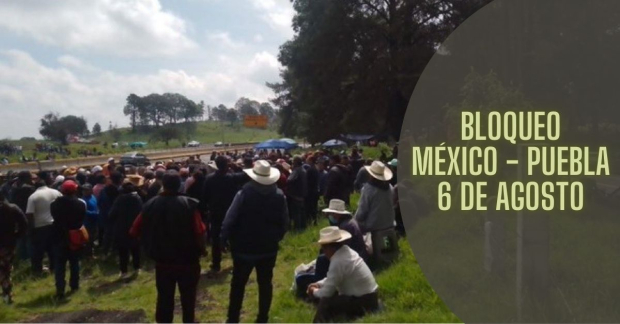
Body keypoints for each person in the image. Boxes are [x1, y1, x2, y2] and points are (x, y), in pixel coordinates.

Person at [130, 171, 206, 323]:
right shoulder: (189, 204)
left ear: (163, 185)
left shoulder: (149, 205)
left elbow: (134, 230)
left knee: (164, 300)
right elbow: (200, 232)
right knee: (188, 300)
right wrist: (202, 250)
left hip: (163, 262)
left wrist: (150, 244)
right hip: (188, 261)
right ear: (179, 185)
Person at [221, 160, 289, 323]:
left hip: (243, 248)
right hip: (268, 248)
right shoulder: (280, 195)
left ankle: (233, 319)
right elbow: (285, 222)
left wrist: (224, 237)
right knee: (265, 285)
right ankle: (262, 318)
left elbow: (230, 217)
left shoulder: (244, 193)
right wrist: (276, 237)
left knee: (238, 285)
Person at [307, 226, 379, 323]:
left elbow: (326, 293)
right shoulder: (346, 251)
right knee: (330, 297)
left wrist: (314, 291)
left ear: (329, 247)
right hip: (370, 297)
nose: (323, 251)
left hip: (364, 302)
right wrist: (319, 284)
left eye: (323, 248)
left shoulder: (338, 261)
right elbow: (332, 278)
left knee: (326, 301)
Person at [202, 156, 242, 275]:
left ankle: (216, 264)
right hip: (232, 211)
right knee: (234, 237)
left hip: (215, 212)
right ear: (227, 165)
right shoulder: (232, 178)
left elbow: (204, 197)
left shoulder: (209, 179)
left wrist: (207, 209)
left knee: (216, 239)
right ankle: (237, 263)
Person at [50, 180, 86, 299]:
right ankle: (74, 286)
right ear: (75, 190)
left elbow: (54, 217)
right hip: (75, 236)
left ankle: (60, 289)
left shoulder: (54, 204)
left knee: (59, 265)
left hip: (58, 237)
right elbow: (81, 218)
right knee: (74, 263)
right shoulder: (80, 204)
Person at [26, 178, 62, 274]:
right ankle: (54, 268)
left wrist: (31, 229)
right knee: (53, 249)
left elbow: (29, 214)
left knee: (38, 251)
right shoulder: (56, 192)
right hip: (54, 225)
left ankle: (38, 270)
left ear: (35, 187)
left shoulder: (33, 197)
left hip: (40, 226)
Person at [109, 177, 143, 279]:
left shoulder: (120, 199)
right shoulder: (138, 199)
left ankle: (124, 271)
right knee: (135, 249)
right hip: (134, 227)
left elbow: (112, 214)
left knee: (123, 251)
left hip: (121, 228)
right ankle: (137, 268)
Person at [0, 191, 28, 304]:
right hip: (8, 244)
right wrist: (17, 235)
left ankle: (6, 295)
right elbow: (24, 223)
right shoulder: (12, 208)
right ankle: (7, 294)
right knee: (6, 270)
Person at [355, 161, 395, 233]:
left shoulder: (368, 189)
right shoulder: (390, 187)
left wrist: (355, 221)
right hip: (389, 224)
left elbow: (361, 213)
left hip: (373, 226)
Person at [286, 156, 307, 231]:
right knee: (302, 212)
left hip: (295, 195)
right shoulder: (303, 170)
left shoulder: (296, 170)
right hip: (302, 194)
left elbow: (289, 180)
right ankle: (303, 227)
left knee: (296, 213)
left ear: (295, 162)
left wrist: (289, 170)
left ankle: (297, 229)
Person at [81, 184, 99, 257]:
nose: (85, 192)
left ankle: (91, 252)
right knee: (88, 239)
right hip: (87, 222)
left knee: (93, 238)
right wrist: (95, 213)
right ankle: (88, 255)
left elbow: (97, 206)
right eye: (84, 190)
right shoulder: (83, 200)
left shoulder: (93, 197)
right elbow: (84, 212)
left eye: (87, 190)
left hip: (94, 221)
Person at [304, 156, 320, 225]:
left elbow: (307, 181)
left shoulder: (310, 170)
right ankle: (315, 221)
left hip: (310, 191)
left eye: (307, 159)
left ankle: (310, 222)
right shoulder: (316, 168)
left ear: (310, 160)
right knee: (314, 207)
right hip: (315, 190)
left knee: (310, 208)